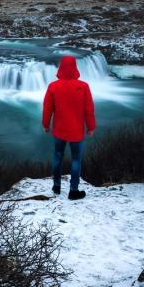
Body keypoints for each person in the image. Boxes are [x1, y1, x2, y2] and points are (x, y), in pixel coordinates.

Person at [42, 55, 96, 200]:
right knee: (76, 160)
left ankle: (57, 186)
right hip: (76, 131)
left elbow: (47, 108)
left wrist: (46, 125)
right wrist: (91, 127)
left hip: (59, 130)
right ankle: (73, 191)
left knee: (57, 157)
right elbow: (89, 109)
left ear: (60, 68)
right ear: (75, 68)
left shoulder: (53, 86)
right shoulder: (83, 87)